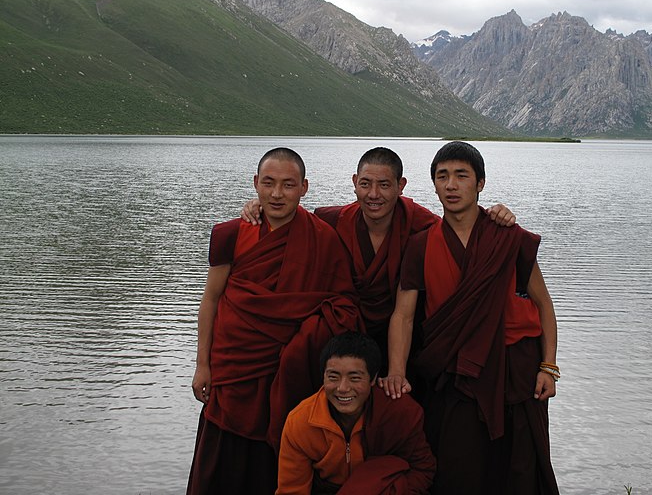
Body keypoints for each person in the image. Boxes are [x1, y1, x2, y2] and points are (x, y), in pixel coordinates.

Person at [383, 141, 560, 495]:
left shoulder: (509, 237)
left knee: (521, 470)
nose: (451, 185)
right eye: (442, 176)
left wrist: (548, 367)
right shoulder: (421, 245)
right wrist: (397, 372)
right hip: (455, 373)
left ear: (480, 183)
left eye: (461, 176)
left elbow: (543, 305)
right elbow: (403, 316)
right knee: (457, 469)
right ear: (433, 184)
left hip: (517, 371)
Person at [241, 146, 516, 372]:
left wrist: (493, 215)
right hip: (346, 339)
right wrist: (260, 207)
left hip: (409, 342)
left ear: (401, 186)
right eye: (365, 184)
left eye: (384, 185)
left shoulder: (421, 225)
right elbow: (293, 220)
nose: (374, 195)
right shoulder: (333, 221)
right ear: (354, 183)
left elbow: (460, 228)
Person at [187, 147, 362, 495]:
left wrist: (303, 342)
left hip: (288, 374)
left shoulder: (323, 237)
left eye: (288, 184)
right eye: (268, 183)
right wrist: (201, 365)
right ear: (255, 183)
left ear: (304, 188)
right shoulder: (231, 234)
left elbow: (343, 308)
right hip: (233, 370)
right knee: (222, 463)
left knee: (281, 458)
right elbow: (211, 299)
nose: (277, 194)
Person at [276, 331, 436, 494]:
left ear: (373, 379)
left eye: (354, 378)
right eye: (333, 377)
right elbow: (291, 490)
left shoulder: (399, 412)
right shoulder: (301, 422)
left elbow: (423, 470)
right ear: (323, 377)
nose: (342, 388)